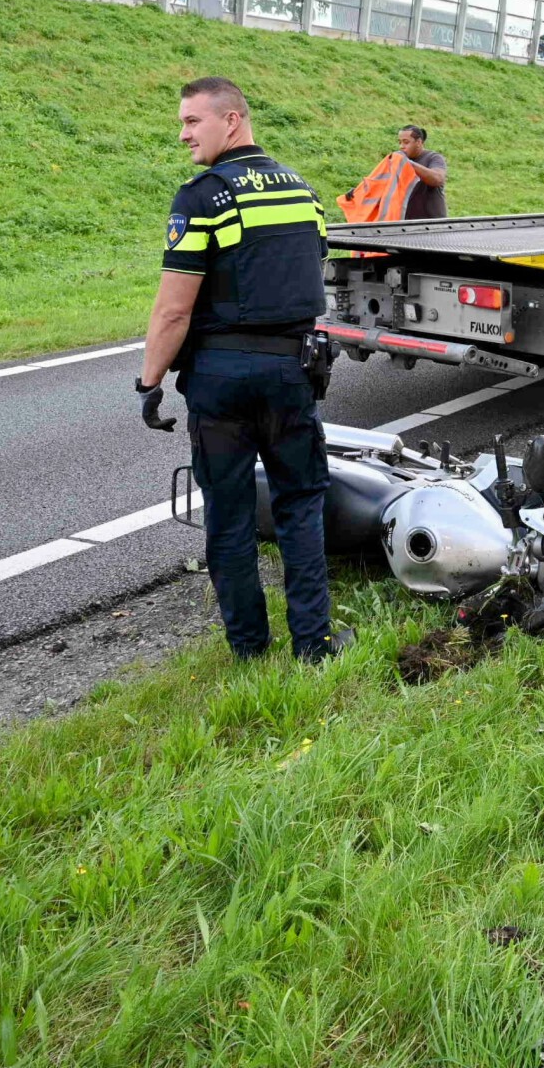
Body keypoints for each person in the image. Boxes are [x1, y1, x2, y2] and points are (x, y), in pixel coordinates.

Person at [134, 77, 351, 664]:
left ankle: (250, 649)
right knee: (300, 506)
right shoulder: (302, 191)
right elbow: (308, 271)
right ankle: (314, 644)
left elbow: (174, 310)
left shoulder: (203, 197)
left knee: (229, 517)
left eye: (192, 121)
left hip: (221, 378)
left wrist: (150, 381)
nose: (183, 135)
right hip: (291, 372)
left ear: (231, 120)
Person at [395, 125, 447, 220]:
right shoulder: (398, 162)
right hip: (406, 223)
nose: (401, 146)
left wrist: (408, 163)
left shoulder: (434, 158)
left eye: (406, 142)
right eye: (400, 142)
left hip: (433, 223)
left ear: (418, 142)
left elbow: (438, 179)